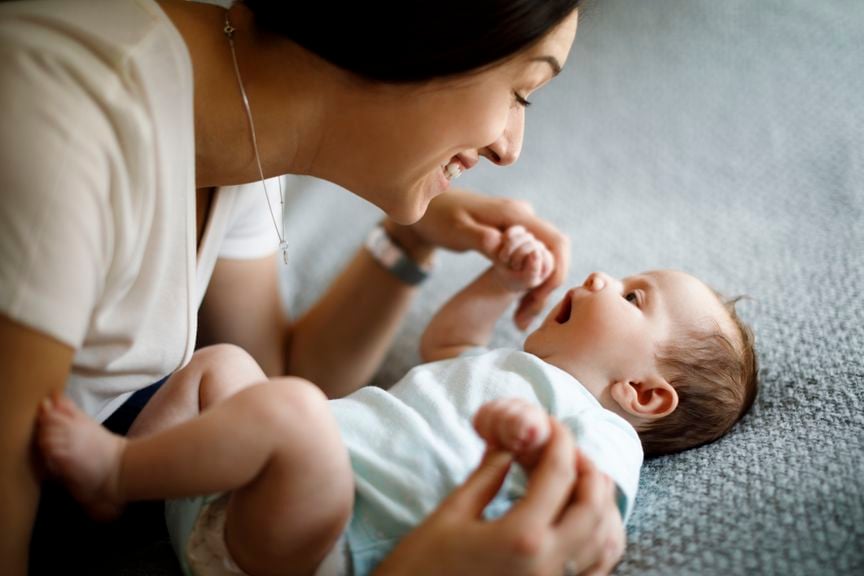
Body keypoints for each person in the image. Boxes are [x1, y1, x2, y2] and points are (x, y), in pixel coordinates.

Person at [0, 0, 631, 574]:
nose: (509, 149)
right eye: (524, 91)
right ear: (429, 32)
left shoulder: (238, 125)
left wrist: (408, 244)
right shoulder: (64, 124)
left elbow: (277, 386)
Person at [36, 226, 759, 576]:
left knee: (292, 408)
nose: (602, 276)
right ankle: (133, 478)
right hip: (238, 490)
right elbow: (448, 343)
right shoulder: (505, 366)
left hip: (319, 538)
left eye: (635, 296)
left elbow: (589, 514)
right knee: (222, 363)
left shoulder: (601, 432)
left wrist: (536, 446)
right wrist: (500, 284)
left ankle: (112, 472)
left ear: (644, 392)